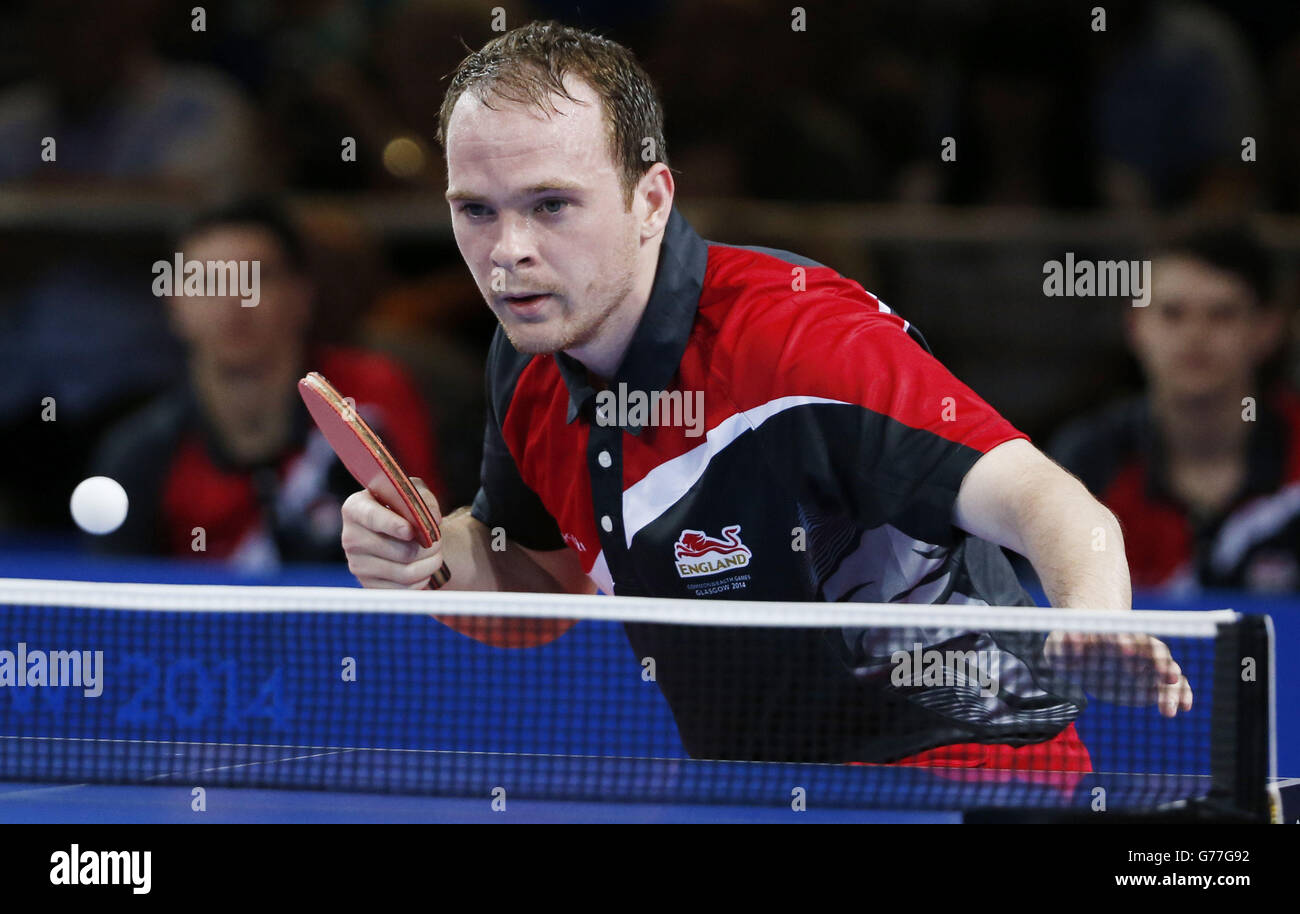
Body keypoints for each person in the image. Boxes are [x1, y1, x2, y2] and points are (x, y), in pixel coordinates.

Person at [341, 22, 1191, 766]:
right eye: (475, 210)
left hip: (961, 771)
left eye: (551, 205)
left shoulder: (801, 345)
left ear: (650, 200)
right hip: (757, 784)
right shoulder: (527, 353)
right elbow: (544, 590)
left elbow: (1044, 496)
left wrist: (1094, 620)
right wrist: (430, 560)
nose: (507, 251)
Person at [92, 198, 445, 571]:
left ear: (302, 295)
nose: (233, 301)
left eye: (257, 277)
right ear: (175, 303)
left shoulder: (371, 396)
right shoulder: (139, 453)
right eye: (208, 281)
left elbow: (427, 546)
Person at [1050, 227, 1298, 593]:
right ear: (1135, 325)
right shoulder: (1085, 462)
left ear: (1267, 329)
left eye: (1222, 314)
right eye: (1172, 313)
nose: (1195, 334)